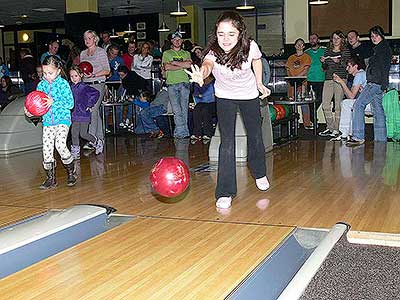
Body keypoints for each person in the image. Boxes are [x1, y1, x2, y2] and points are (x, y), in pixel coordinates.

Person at [185, 11, 271, 209]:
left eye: (231, 34)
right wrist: (202, 75)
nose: (225, 39)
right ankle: (225, 191)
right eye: (221, 33)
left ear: (240, 34)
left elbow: (257, 60)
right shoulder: (213, 53)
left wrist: (259, 82)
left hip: (248, 95)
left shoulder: (250, 47)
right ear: (216, 33)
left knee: (255, 136)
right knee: (227, 142)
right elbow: (207, 65)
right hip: (224, 97)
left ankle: (259, 172)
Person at [24, 55, 75, 189]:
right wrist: (31, 112)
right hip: (48, 121)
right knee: (46, 149)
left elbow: (70, 104)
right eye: (44, 73)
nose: (46, 76)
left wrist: (54, 102)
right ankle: (50, 178)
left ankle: (71, 171)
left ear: (58, 71)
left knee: (60, 145)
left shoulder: (63, 84)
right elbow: (37, 104)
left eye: (50, 73)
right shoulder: (41, 85)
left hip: (63, 119)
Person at [346, 26, 392, 146]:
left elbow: (378, 68)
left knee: (358, 105)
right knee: (378, 111)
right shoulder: (383, 49)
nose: (374, 38)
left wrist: (371, 81)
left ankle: (358, 136)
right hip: (380, 84)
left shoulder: (381, 50)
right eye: (372, 36)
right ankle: (381, 141)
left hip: (374, 83)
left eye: (376, 35)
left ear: (381, 35)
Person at [80, 30, 110, 153]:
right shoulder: (83, 53)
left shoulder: (101, 52)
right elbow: (82, 71)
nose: (88, 40)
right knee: (94, 112)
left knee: (93, 110)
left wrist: (94, 75)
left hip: (98, 84)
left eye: (90, 38)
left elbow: (107, 70)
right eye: (86, 38)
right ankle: (100, 139)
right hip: (86, 85)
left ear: (95, 39)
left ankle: (92, 140)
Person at [319, 30, 351, 138]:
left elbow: (347, 65)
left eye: (338, 38)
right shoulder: (328, 50)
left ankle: (337, 129)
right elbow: (324, 68)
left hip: (340, 78)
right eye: (334, 38)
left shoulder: (345, 50)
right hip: (328, 78)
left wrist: (340, 62)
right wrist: (323, 62)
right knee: (325, 104)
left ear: (342, 39)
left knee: (338, 105)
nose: (335, 40)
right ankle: (330, 127)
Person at [162, 31, 192, 139]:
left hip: (185, 83)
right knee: (176, 109)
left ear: (182, 41)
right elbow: (167, 67)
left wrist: (174, 63)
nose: (177, 41)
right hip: (171, 83)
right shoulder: (166, 53)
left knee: (184, 109)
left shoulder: (186, 53)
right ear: (171, 41)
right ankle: (183, 132)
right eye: (175, 39)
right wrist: (182, 65)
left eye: (179, 39)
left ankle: (181, 132)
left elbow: (189, 64)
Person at [331, 56, 368, 141]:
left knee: (346, 103)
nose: (347, 69)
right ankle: (348, 133)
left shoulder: (359, 75)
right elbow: (350, 96)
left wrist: (341, 82)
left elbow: (351, 96)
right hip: (368, 102)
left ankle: (344, 133)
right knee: (348, 103)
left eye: (349, 66)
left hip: (369, 104)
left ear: (356, 66)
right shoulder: (362, 74)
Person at [69, 65, 101, 159]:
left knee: (83, 134)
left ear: (81, 75)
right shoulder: (70, 87)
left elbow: (96, 93)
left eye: (76, 76)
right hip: (74, 114)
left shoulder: (84, 87)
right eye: (71, 76)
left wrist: (89, 104)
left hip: (83, 113)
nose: (74, 78)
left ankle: (96, 141)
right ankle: (75, 151)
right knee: (74, 133)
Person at [285, 38, 312, 129]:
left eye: (301, 44)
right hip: (292, 83)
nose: (299, 46)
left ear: (304, 46)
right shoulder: (291, 58)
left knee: (304, 102)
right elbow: (288, 70)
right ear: (295, 46)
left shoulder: (306, 57)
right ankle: (294, 123)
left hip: (302, 82)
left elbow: (306, 70)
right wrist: (291, 78)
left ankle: (307, 124)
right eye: (297, 44)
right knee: (292, 102)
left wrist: (298, 78)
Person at [305, 33, 325, 127]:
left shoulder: (325, 50)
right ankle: (314, 120)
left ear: (318, 40)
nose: (312, 40)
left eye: (314, 38)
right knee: (310, 101)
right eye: (310, 39)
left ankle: (313, 116)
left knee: (320, 99)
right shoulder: (306, 52)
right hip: (309, 80)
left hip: (322, 80)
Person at [190, 75, 216, 141]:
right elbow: (196, 95)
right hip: (202, 103)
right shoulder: (197, 83)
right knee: (197, 108)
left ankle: (208, 133)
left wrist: (201, 95)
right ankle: (197, 133)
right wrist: (201, 96)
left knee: (206, 109)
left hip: (214, 103)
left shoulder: (214, 82)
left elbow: (213, 96)